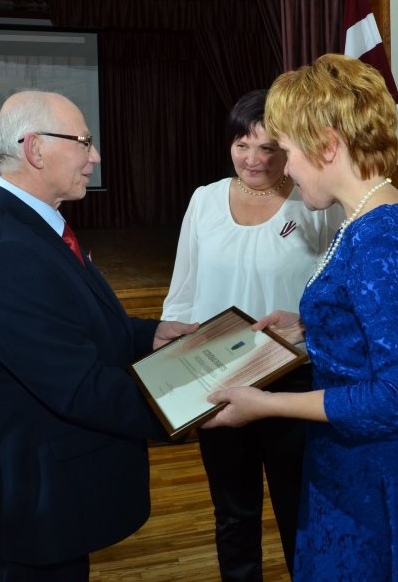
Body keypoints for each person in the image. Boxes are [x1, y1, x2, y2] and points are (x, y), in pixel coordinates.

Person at [203, 54, 398, 582]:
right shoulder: (364, 221)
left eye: (288, 150)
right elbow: (373, 332)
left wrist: (267, 404)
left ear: (328, 145)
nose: (286, 167)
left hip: (373, 479)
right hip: (346, 463)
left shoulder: (383, 238)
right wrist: (308, 327)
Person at [0, 90, 197, 582]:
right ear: (35, 149)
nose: (95, 156)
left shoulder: (32, 226)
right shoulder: (5, 253)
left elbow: (73, 328)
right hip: (37, 501)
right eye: (83, 141)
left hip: (55, 489)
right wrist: (189, 402)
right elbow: (79, 386)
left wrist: (150, 336)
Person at [161, 89, 341, 581]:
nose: (253, 159)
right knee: (233, 513)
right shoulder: (204, 200)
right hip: (217, 378)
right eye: (242, 144)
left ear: (289, 148)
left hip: (293, 379)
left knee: (298, 509)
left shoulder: (316, 202)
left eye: (267, 147)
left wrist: (308, 329)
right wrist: (171, 361)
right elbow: (183, 292)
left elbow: (338, 293)